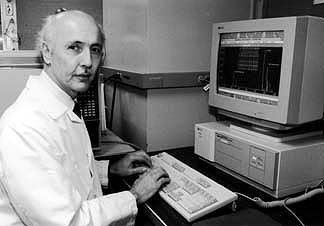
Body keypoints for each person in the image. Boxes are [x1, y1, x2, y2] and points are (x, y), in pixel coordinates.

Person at [0, 9, 170, 226]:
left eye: (95, 49)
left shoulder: (61, 104)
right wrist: (134, 196)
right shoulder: (24, 127)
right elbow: (69, 222)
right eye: (74, 47)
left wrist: (108, 170)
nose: (88, 61)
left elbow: (62, 172)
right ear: (47, 52)